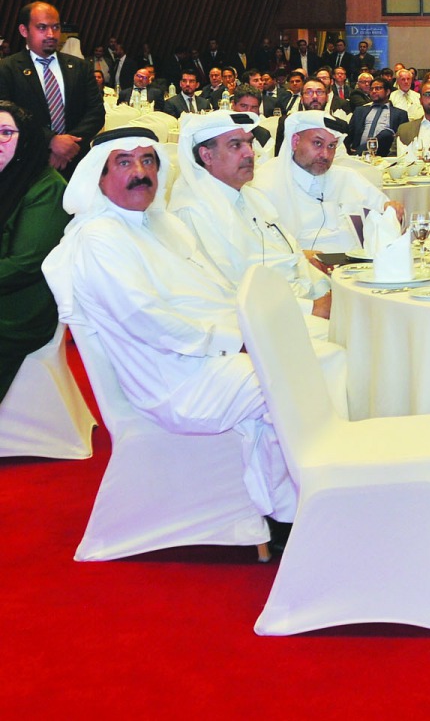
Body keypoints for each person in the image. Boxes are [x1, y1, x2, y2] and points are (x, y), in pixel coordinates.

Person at [41, 127, 317, 535]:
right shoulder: (100, 238)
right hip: (173, 378)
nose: (140, 172)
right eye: (124, 163)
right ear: (99, 177)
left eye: (147, 161)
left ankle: (302, 496)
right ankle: (287, 517)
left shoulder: (156, 223)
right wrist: (235, 342)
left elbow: (213, 294)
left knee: (313, 352)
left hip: (202, 358)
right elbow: (146, 319)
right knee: (292, 378)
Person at [167, 111, 331, 335]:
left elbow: (283, 255)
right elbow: (228, 291)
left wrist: (323, 287)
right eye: (236, 145)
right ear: (206, 155)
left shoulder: (250, 196)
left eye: (249, 143)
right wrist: (313, 308)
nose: (249, 153)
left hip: (301, 295)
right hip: (264, 319)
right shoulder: (194, 211)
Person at [252, 110, 403, 254]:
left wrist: (393, 211)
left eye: (331, 146)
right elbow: (260, 247)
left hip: (357, 265)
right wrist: (298, 256)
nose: (325, 155)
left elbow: (386, 215)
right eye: (317, 143)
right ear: (295, 141)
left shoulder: (347, 177)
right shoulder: (267, 182)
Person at [0, 101, 70, 400]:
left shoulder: (47, 188)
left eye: (6, 132)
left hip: (19, 309)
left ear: (26, 138)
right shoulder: (6, 175)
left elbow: (26, 263)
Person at [0, 2, 105, 178]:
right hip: (26, 165)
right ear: (24, 30)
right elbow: (7, 117)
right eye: (42, 27)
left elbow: (96, 113)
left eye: (56, 27)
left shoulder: (80, 67)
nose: (51, 34)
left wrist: (67, 146)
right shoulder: (7, 69)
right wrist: (51, 140)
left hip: (76, 163)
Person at [345, 77, 407, 157]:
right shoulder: (360, 111)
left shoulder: (399, 114)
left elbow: (402, 141)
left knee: (386, 133)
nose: (373, 91)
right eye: (371, 89)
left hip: (385, 155)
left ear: (387, 92)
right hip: (359, 154)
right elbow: (349, 135)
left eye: (378, 88)